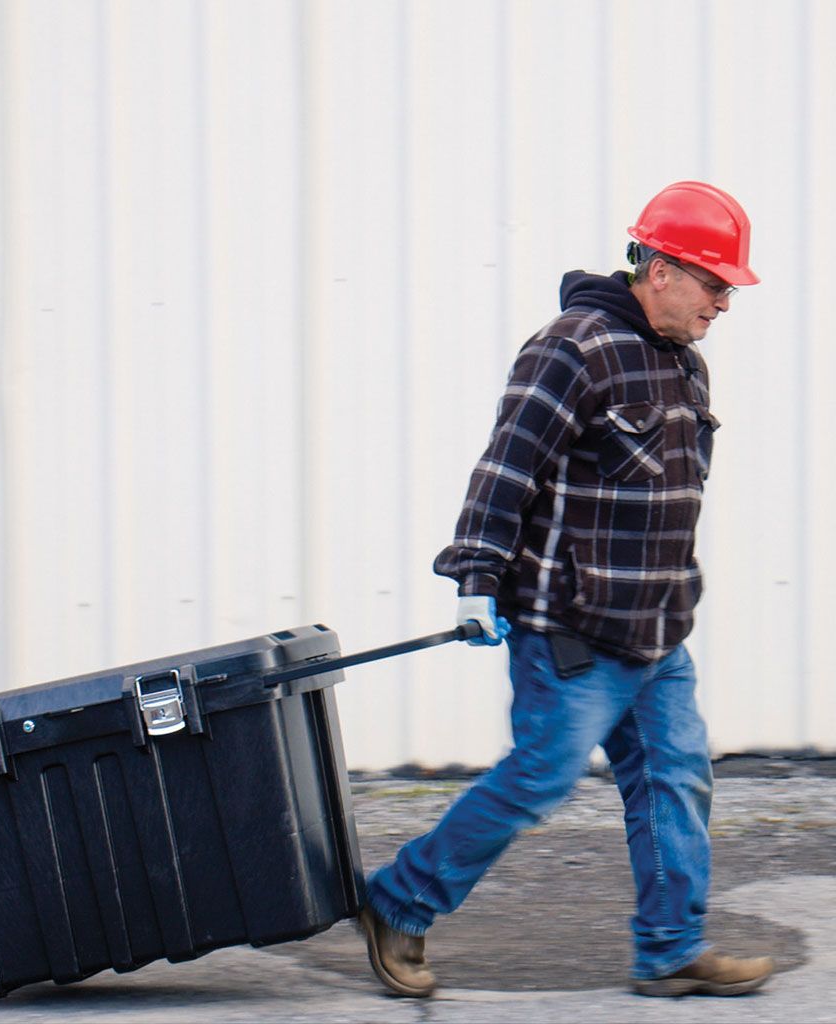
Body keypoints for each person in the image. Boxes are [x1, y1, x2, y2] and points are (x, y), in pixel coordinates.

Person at [359, 181, 776, 999]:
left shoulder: (684, 363)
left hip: (657, 630)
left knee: (676, 777)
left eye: (729, 286)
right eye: (714, 281)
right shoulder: (570, 348)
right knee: (542, 777)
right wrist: (477, 578)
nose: (725, 301)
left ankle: (669, 949)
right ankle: (398, 903)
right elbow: (507, 465)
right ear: (659, 269)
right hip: (571, 631)